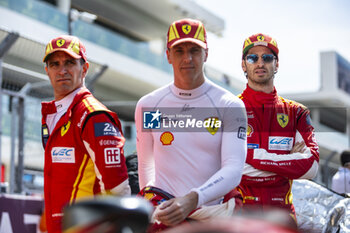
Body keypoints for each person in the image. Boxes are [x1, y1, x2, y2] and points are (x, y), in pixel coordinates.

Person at [135, 18, 247, 231]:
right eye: (179, 51)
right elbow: (146, 164)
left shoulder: (229, 105)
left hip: (211, 219)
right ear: (168, 55)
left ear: (206, 54)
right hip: (165, 219)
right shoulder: (149, 105)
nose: (187, 58)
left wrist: (193, 199)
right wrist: (155, 206)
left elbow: (233, 168)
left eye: (194, 50)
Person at [41, 35, 130, 233]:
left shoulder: (93, 116)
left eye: (70, 62)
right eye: (55, 64)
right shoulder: (53, 115)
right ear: (47, 70)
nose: (62, 70)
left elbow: (119, 189)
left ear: (85, 68)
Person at [236, 33, 320, 223]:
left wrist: (251, 156)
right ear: (243, 64)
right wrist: (288, 163)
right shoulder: (230, 108)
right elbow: (228, 166)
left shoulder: (297, 112)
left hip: (284, 218)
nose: (260, 63)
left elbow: (311, 166)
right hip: (240, 216)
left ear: (277, 64)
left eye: (267, 57)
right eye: (252, 57)